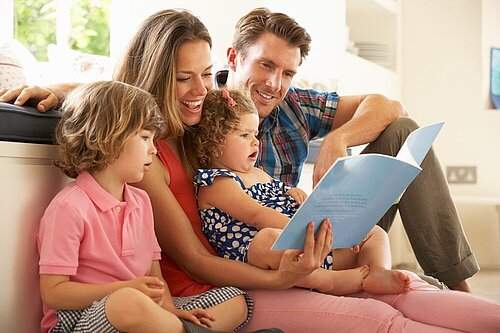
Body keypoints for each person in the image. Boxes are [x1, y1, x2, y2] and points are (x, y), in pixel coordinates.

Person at [4, 8, 500, 333]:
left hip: (279, 257)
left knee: (406, 288)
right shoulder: (150, 155)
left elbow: (386, 106)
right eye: (185, 78)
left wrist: (339, 146)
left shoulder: (211, 112)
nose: (200, 88)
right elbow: (121, 97)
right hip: (245, 274)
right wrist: (66, 90)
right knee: (380, 316)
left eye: (204, 75)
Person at [214, 7, 479, 293]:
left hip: (320, 234)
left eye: (287, 72)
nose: (275, 84)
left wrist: (337, 139)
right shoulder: (203, 113)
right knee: (419, 287)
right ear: (233, 57)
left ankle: (455, 285)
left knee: (404, 130)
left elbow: (390, 106)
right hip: (264, 251)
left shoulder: (295, 105)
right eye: (266, 65)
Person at [37, 80, 252, 333]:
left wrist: (169, 309)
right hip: (78, 321)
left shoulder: (141, 201)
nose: (153, 150)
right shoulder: (69, 208)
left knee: (236, 300)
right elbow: (53, 293)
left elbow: (155, 278)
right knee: (128, 303)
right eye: (145, 138)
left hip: (141, 313)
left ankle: (177, 329)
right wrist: (123, 290)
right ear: (109, 138)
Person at [192, 88, 411, 296]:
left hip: (308, 244)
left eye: (256, 134)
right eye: (244, 135)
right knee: (267, 239)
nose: (255, 142)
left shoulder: (259, 173)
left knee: (374, 232)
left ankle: (378, 271)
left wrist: (295, 194)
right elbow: (258, 216)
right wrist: (312, 235)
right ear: (214, 143)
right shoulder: (217, 183)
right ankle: (327, 280)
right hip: (270, 254)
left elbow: (284, 193)